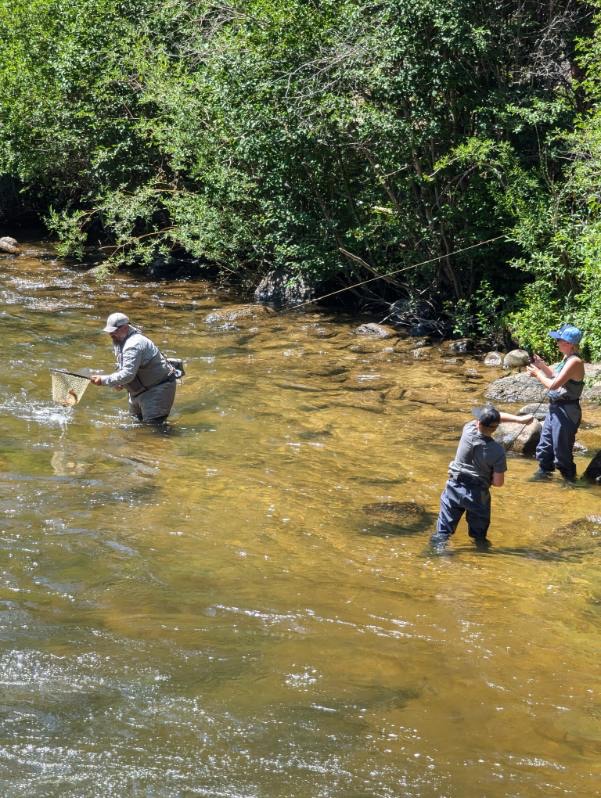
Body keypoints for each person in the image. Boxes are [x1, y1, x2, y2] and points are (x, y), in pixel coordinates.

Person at [430, 405, 534, 551]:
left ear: (478, 423)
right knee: (479, 537)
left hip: (454, 486)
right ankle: (480, 556)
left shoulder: (468, 430)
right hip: (477, 495)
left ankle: (438, 554)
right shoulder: (497, 451)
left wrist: (518, 419)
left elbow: (491, 419)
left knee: (442, 532)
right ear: (495, 428)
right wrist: (520, 421)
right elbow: (498, 483)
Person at [90, 312, 177, 423]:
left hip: (157, 389)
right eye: (110, 331)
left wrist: (103, 380)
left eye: (114, 331)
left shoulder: (133, 344)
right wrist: (119, 382)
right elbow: (126, 366)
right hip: (138, 392)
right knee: (136, 426)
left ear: (125, 327)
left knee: (154, 430)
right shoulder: (119, 340)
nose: (111, 334)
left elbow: (127, 374)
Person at [526, 323, 584, 482]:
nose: (557, 342)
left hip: (567, 411)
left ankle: (570, 481)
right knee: (544, 448)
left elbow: (554, 385)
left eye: (559, 339)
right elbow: (555, 376)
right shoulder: (567, 358)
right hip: (555, 409)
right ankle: (544, 474)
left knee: (562, 453)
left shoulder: (575, 362)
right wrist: (542, 366)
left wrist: (537, 374)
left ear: (570, 344)